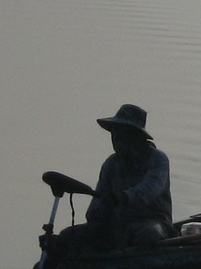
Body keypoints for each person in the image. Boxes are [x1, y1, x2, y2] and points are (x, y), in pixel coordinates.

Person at [58, 104, 173, 252]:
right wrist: (95, 218)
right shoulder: (111, 163)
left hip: (151, 221)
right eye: (114, 133)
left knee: (149, 235)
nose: (116, 138)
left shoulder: (157, 159)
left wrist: (123, 197)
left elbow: (149, 189)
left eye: (122, 133)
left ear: (136, 136)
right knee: (67, 236)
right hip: (118, 225)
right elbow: (99, 200)